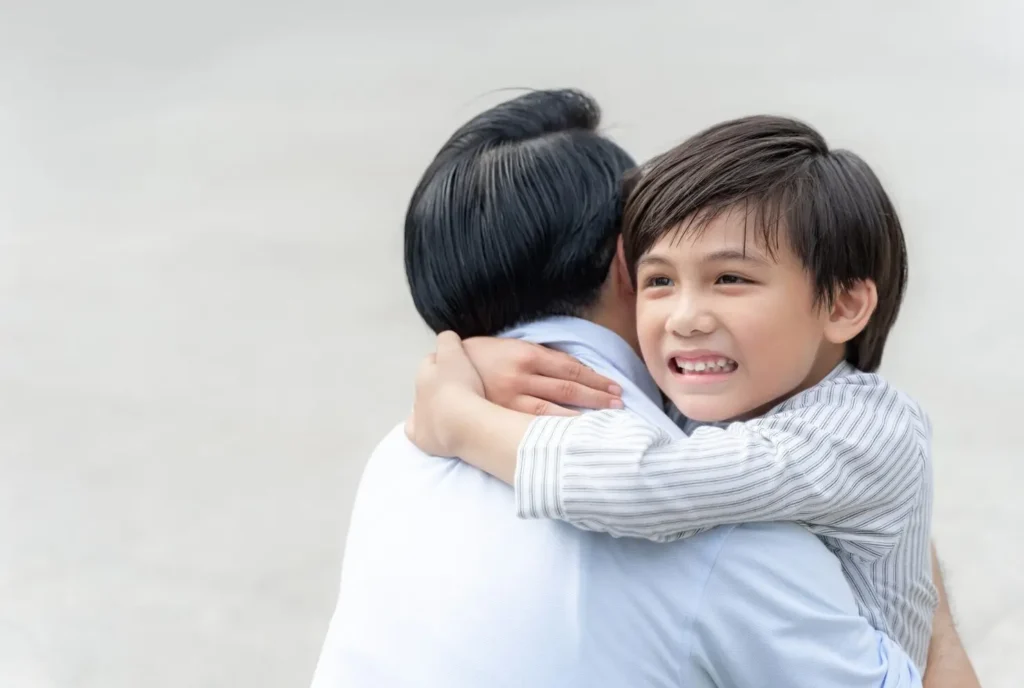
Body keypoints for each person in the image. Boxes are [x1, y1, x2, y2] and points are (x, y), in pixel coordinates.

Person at [312, 89, 972, 687]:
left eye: (729, 277)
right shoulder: (730, 537)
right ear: (631, 262)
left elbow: (641, 483)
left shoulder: (401, 456)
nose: (686, 315)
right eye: (665, 277)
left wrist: (457, 412)